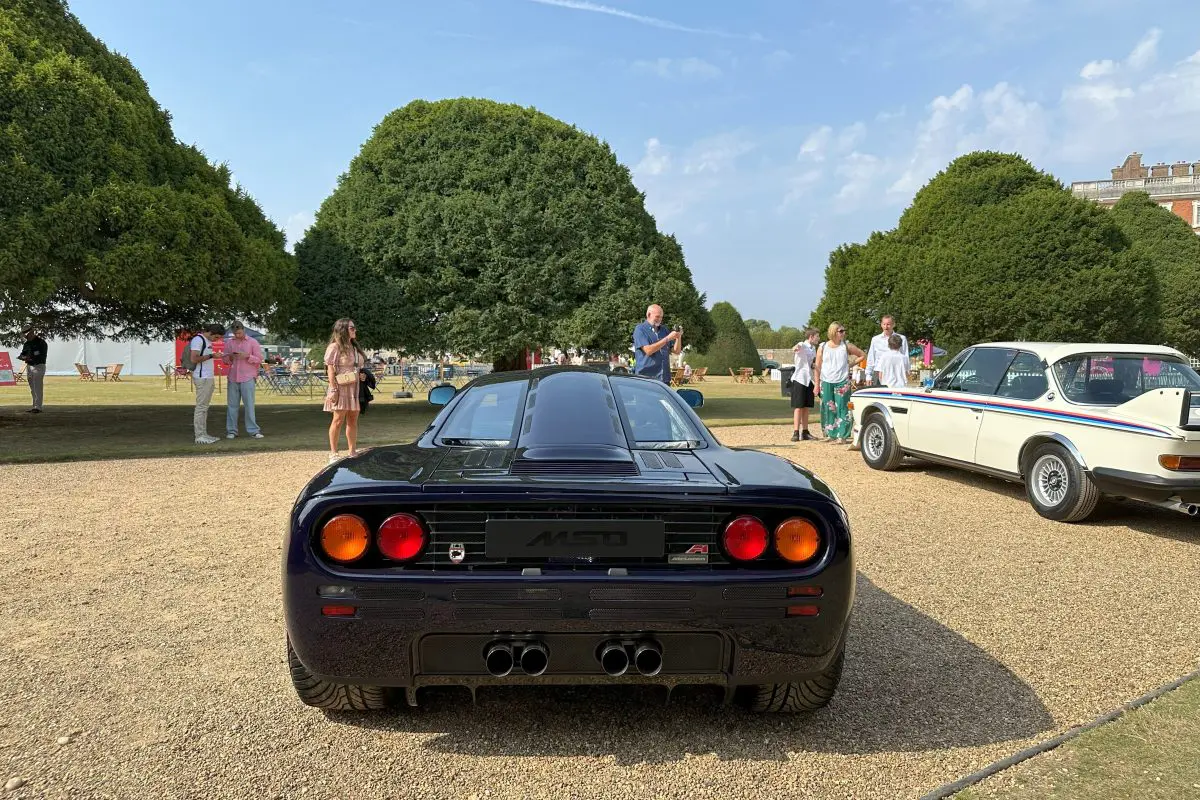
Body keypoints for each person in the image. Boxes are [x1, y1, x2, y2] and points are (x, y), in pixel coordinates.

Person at [813, 322, 866, 443]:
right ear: (833, 332)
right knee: (827, 407)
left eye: (844, 331)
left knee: (843, 407)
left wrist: (850, 364)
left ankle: (842, 435)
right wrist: (816, 384)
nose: (844, 333)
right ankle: (830, 434)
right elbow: (817, 366)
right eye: (841, 331)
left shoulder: (846, 346)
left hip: (842, 381)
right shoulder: (823, 346)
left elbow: (862, 355)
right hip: (826, 380)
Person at [324, 318, 367, 464]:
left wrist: (361, 375)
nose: (355, 330)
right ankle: (333, 453)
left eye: (354, 328)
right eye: (351, 328)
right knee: (337, 420)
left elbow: (358, 366)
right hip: (340, 386)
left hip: (354, 387)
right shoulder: (334, 347)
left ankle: (352, 451)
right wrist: (333, 388)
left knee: (353, 420)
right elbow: (330, 368)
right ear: (343, 330)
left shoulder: (355, 348)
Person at [223, 321, 264, 440]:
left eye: (239, 333)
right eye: (235, 334)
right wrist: (230, 357)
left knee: (249, 405)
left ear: (243, 330)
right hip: (233, 377)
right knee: (232, 406)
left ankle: (253, 430)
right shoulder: (229, 343)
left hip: (248, 377)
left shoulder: (253, 342)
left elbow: (259, 359)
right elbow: (225, 360)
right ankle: (231, 431)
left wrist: (247, 356)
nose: (237, 336)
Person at [189, 323, 226, 444]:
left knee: (204, 407)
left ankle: (203, 434)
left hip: (208, 377)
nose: (217, 340)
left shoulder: (207, 341)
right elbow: (194, 359)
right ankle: (199, 435)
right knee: (201, 407)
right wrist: (211, 355)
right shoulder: (198, 340)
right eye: (216, 337)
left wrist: (212, 356)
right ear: (210, 333)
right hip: (202, 377)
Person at [633, 304, 681, 383]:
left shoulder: (664, 330)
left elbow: (676, 351)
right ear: (648, 315)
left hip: (664, 378)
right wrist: (668, 338)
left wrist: (678, 337)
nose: (660, 319)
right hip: (646, 379)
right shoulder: (640, 329)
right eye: (657, 317)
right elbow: (648, 350)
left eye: (661, 317)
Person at [790, 328, 820, 442]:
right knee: (798, 406)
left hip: (809, 379)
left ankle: (805, 432)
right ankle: (796, 432)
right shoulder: (802, 344)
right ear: (811, 337)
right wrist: (796, 348)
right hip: (799, 379)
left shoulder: (813, 348)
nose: (818, 338)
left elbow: (811, 363)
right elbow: (796, 348)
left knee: (806, 406)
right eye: (817, 336)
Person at [866, 315, 909, 387]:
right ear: (881, 325)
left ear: (893, 325)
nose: (886, 327)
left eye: (888, 324)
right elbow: (871, 358)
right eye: (884, 324)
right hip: (879, 372)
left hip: (896, 372)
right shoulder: (875, 339)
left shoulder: (901, 338)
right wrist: (868, 375)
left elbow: (905, 355)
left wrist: (906, 372)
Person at [16, 327, 47, 414]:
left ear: (32, 333)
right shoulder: (27, 343)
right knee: (32, 388)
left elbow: (41, 356)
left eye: (27, 335)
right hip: (29, 366)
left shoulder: (41, 343)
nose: (26, 337)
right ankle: (34, 406)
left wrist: (30, 357)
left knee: (38, 387)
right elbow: (23, 353)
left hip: (38, 366)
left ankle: (38, 407)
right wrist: (22, 357)